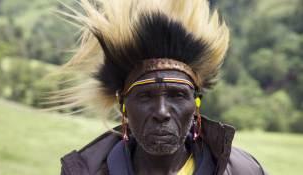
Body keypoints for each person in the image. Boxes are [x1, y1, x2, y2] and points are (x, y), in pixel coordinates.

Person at [57, 0, 267, 174]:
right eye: (146, 96)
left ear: (196, 103)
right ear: (123, 104)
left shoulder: (243, 171)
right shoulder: (85, 171)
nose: (162, 112)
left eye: (177, 95)